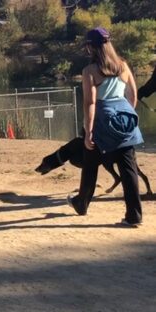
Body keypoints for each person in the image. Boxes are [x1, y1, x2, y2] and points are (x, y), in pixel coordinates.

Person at [67, 27, 143, 227]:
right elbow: (132, 95)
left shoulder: (90, 71)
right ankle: (134, 216)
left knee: (90, 164)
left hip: (101, 122)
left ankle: (81, 203)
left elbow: (90, 103)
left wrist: (88, 131)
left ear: (91, 47)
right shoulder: (123, 66)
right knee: (129, 169)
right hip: (125, 120)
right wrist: (126, 115)